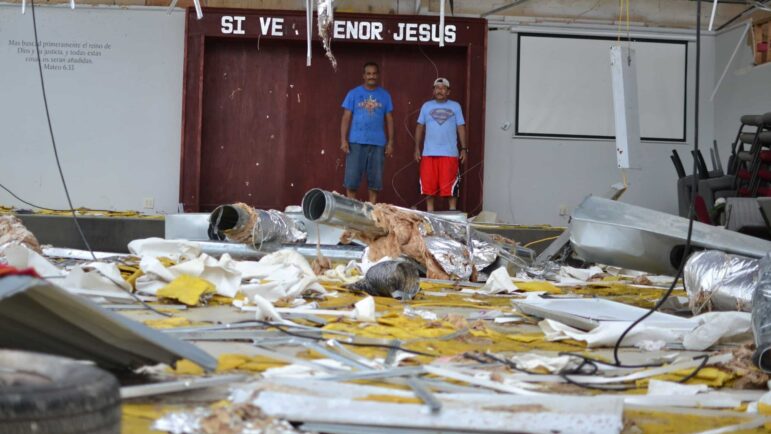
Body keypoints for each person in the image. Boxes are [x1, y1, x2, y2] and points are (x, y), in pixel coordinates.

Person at [340, 62, 394, 204]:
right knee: (351, 181)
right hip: (356, 142)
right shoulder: (353, 93)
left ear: (378, 75)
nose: (371, 76)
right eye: (368, 74)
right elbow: (346, 117)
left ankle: (372, 212)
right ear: (363, 76)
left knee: (375, 183)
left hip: (378, 143)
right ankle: (350, 210)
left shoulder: (385, 95)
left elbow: (389, 119)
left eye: (374, 73)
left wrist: (390, 142)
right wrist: (343, 140)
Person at [413, 77, 467, 212]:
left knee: (450, 189)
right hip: (428, 154)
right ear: (433, 90)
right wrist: (416, 148)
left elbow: (461, 127)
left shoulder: (455, 106)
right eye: (437, 88)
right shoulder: (426, 106)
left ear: (448, 92)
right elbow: (419, 126)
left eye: (443, 88)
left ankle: (452, 213)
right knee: (428, 189)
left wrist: (464, 148)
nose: (440, 90)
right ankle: (430, 215)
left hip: (449, 154)